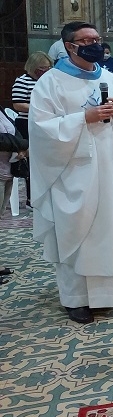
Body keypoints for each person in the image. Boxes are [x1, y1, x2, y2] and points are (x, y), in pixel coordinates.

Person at [29, 21, 113, 324]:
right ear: (69, 46)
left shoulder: (107, 78)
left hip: (109, 167)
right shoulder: (50, 82)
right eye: (86, 39)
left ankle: (108, 294)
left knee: (108, 230)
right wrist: (83, 118)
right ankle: (76, 299)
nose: (95, 44)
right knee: (76, 231)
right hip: (72, 171)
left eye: (97, 39)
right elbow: (40, 129)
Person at [12, 51, 52, 207]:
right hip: (27, 124)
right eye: (42, 67)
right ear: (34, 67)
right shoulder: (22, 81)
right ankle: (32, 199)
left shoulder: (48, 81)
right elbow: (18, 104)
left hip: (46, 124)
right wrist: (39, 108)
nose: (46, 70)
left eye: (48, 67)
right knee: (32, 163)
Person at [0, 110, 28, 285]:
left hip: (6, 173)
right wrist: (21, 144)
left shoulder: (2, 110)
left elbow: (14, 132)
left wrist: (21, 147)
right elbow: (3, 140)